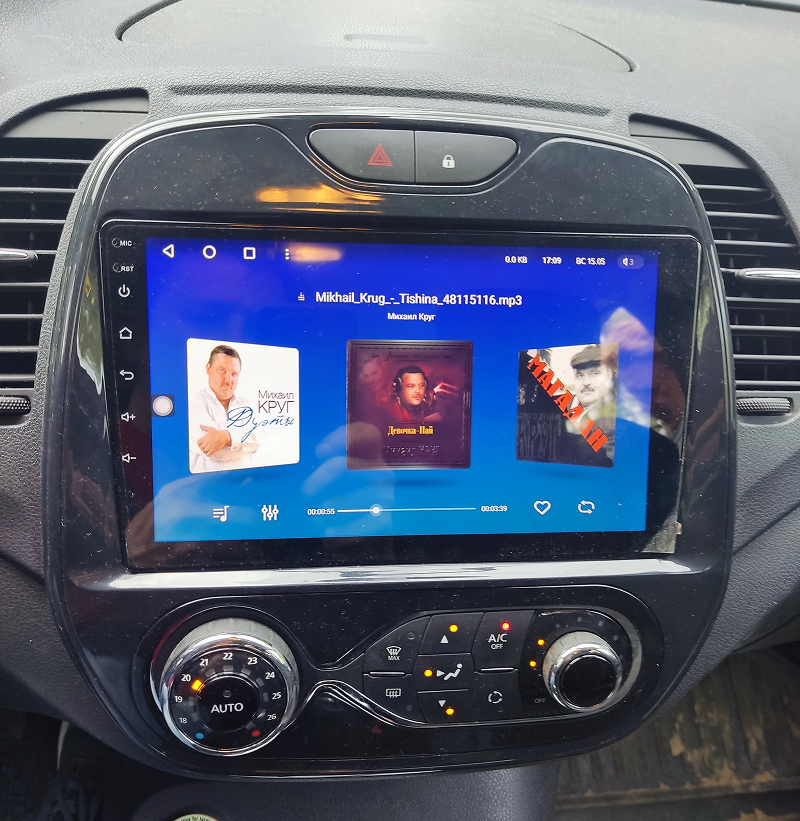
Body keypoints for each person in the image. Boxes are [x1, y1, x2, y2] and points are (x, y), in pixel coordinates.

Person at [188, 344, 261, 473]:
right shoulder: (193, 402)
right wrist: (247, 447)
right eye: (222, 370)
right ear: (208, 368)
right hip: (207, 484)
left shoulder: (247, 404)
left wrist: (227, 438)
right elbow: (214, 453)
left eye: (234, 374)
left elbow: (259, 439)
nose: (228, 379)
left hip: (244, 482)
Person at [564, 344, 617, 462]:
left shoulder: (617, 417)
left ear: (608, 375)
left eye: (594, 373)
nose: (586, 382)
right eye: (580, 375)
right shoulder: (560, 406)